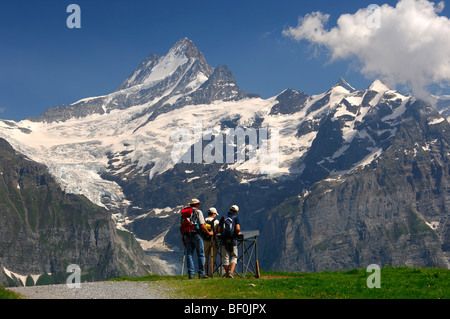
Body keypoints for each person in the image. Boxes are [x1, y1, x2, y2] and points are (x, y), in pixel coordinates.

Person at [180, 198, 213, 279]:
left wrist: (183, 240)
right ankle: (201, 273)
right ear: (197, 205)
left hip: (187, 235)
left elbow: (181, 227)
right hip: (197, 235)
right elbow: (202, 225)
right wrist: (209, 233)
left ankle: (191, 274)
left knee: (189, 255)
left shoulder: (185, 213)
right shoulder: (198, 212)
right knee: (201, 254)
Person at [217, 205, 241, 278]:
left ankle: (227, 273)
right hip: (233, 239)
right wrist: (238, 232)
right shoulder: (235, 218)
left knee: (225, 257)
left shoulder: (223, 217)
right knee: (234, 256)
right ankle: (231, 272)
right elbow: (237, 228)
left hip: (224, 239)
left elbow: (218, 230)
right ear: (236, 211)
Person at [203, 207, 220, 276]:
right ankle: (211, 273)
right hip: (213, 240)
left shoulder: (204, 220)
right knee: (212, 257)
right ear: (213, 213)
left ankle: (203, 273)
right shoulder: (216, 221)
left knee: (205, 257)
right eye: (215, 214)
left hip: (205, 240)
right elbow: (218, 231)